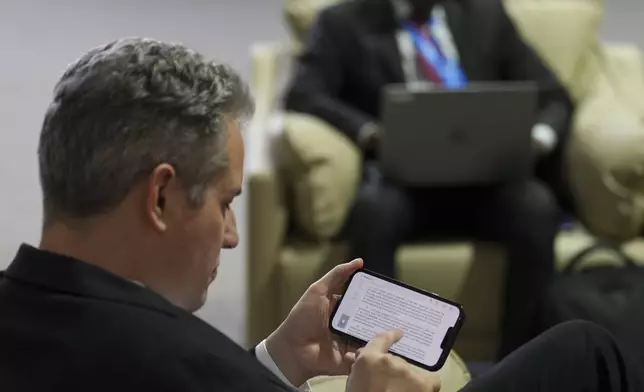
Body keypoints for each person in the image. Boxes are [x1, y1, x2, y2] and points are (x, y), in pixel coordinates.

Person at [0, 37, 641, 392]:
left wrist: (276, 361)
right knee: (584, 354)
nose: (230, 237)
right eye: (226, 203)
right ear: (161, 198)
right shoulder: (182, 361)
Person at [284, 0, 575, 357]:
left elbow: (554, 95)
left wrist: (535, 140)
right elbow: (304, 93)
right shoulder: (344, 22)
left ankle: (521, 358)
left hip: (486, 181)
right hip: (404, 184)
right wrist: (369, 132)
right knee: (373, 214)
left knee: (536, 207)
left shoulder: (485, 15)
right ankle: (379, 360)